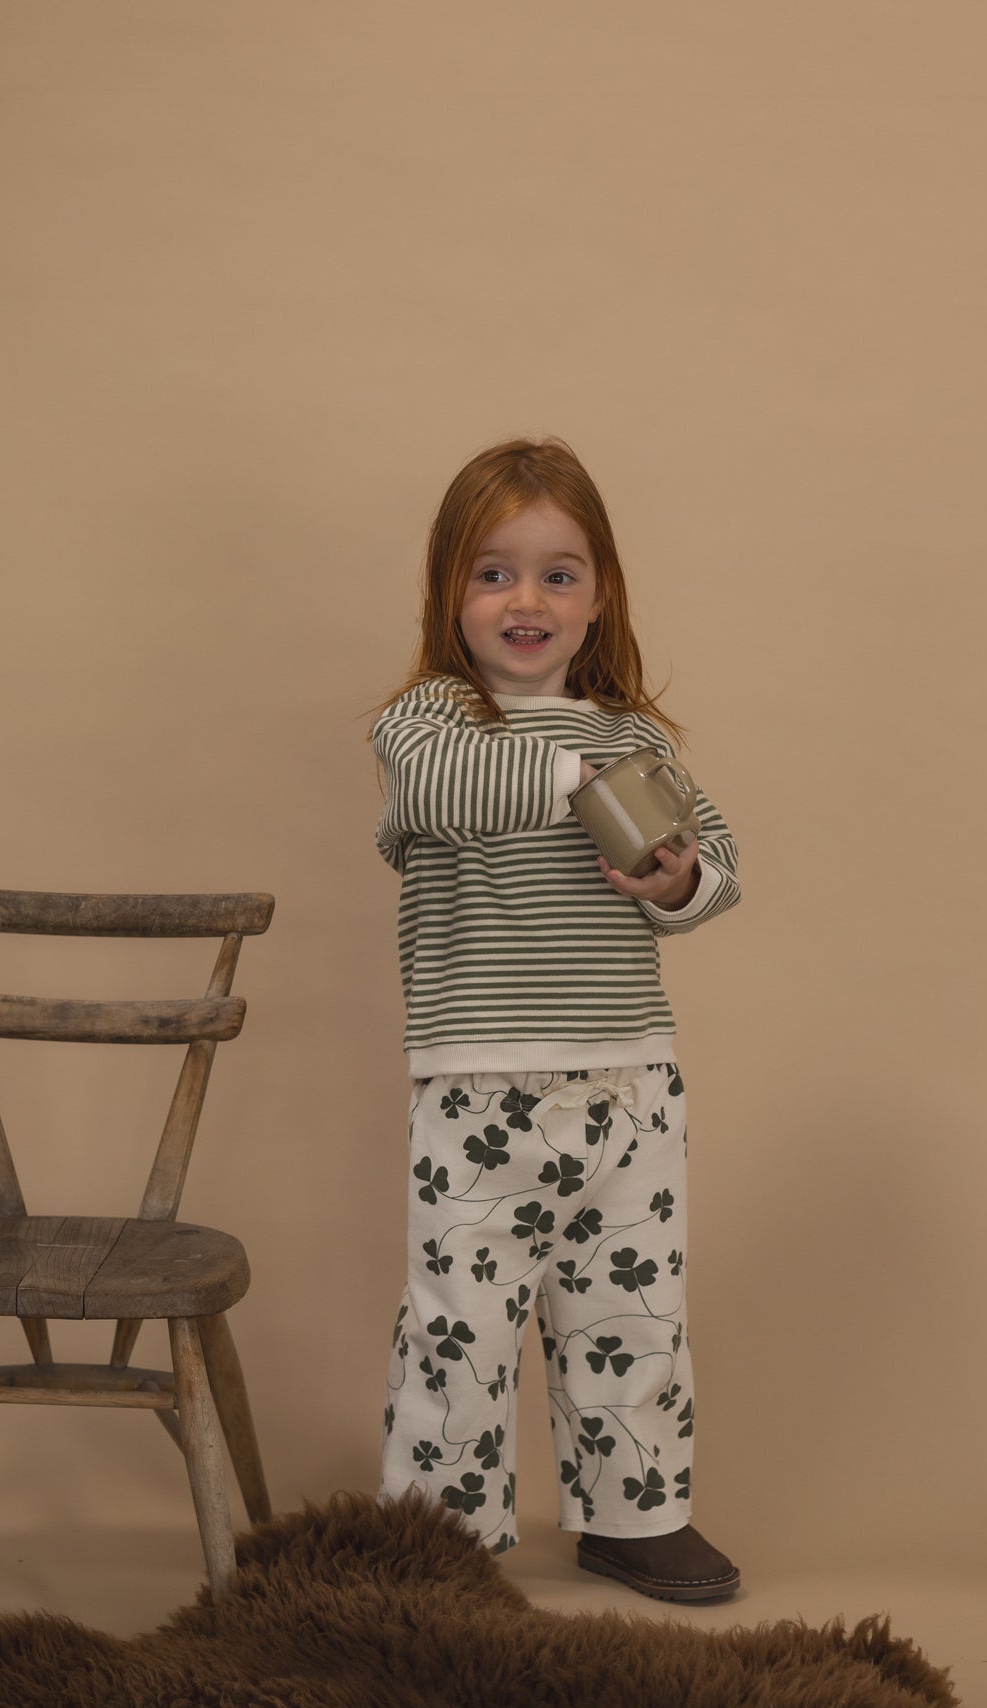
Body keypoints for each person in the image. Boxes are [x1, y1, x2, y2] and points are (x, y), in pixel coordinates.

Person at [372, 436, 742, 1602]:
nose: (524, 599)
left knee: (629, 1315)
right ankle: (439, 1537)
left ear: (599, 598)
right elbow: (446, 798)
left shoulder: (636, 738)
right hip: (480, 1089)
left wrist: (675, 878)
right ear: (449, 593)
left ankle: (635, 1516)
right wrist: (582, 781)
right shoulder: (430, 725)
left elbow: (719, 865)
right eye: (493, 573)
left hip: (630, 1082)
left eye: (557, 574)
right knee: (461, 1326)